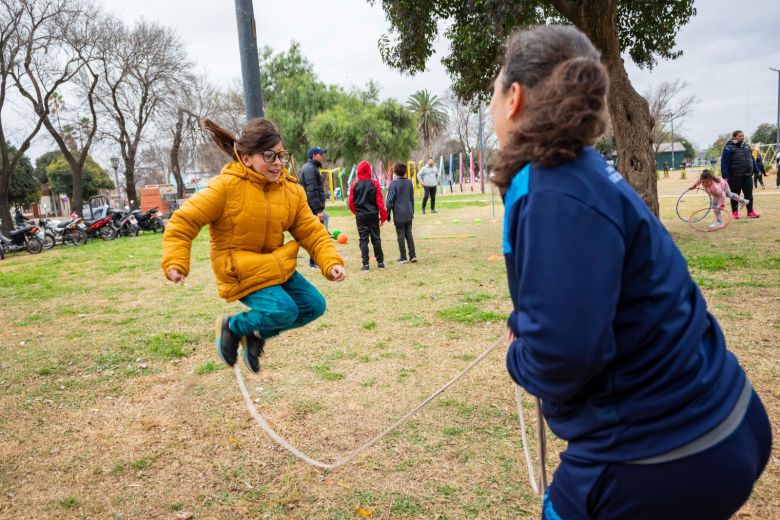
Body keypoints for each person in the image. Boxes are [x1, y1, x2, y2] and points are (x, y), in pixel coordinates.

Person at [491, 25, 771, 519]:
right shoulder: (587, 173)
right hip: (722, 418)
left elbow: (564, 356)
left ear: (514, 98)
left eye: (495, 89)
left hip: (660, 453)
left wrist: (520, 357)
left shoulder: (551, 188)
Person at [161, 118, 345, 373]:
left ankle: (256, 334)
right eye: (269, 156)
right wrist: (176, 262)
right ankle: (232, 327)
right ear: (246, 158)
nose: (278, 163)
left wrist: (331, 261)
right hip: (239, 268)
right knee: (284, 310)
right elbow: (183, 221)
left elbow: (312, 232)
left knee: (314, 305)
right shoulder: (226, 187)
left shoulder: (290, 191)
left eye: (281, 155)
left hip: (274, 265)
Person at [348, 160, 387, 271]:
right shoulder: (374, 183)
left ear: (358, 171)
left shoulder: (355, 184)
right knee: (376, 238)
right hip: (373, 215)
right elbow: (380, 201)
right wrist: (383, 216)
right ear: (369, 171)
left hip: (361, 216)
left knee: (363, 239)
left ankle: (365, 264)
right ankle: (380, 263)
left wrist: (356, 212)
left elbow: (351, 202)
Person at [298, 146, 328, 268]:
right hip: (312, 209)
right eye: (321, 154)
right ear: (314, 155)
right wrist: (318, 210)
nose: (323, 156)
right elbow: (311, 191)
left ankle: (315, 261)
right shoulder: (310, 169)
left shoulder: (310, 167)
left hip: (312, 208)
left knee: (319, 234)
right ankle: (313, 262)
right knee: (317, 235)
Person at [721, 130, 759, 219]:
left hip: (747, 175)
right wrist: (725, 176)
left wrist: (757, 170)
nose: (742, 137)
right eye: (740, 136)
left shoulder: (747, 146)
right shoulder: (728, 148)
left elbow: (752, 159)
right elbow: (724, 163)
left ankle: (750, 212)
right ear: (734, 137)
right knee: (735, 194)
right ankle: (735, 213)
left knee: (749, 194)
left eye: (743, 136)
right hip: (734, 176)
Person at [385, 163, 417, 263]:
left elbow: (389, 200)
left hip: (399, 215)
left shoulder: (393, 184)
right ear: (405, 172)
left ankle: (403, 257)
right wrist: (412, 212)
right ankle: (413, 255)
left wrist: (388, 213)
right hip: (409, 213)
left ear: (395, 173)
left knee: (400, 236)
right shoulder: (409, 183)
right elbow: (412, 199)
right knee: (409, 234)